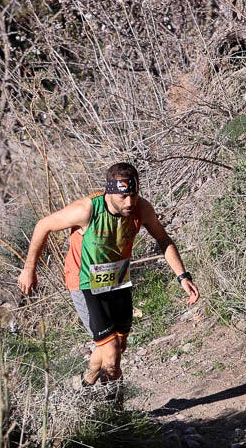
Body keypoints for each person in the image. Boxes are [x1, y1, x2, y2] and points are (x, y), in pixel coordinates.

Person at [18, 162, 200, 388]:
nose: (130, 202)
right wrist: (29, 269)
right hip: (84, 281)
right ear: (109, 192)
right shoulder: (87, 210)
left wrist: (183, 276)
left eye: (134, 195)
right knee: (112, 353)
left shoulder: (142, 209)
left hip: (118, 280)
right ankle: (116, 410)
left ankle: (84, 385)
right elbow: (42, 225)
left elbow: (163, 239)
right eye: (123, 197)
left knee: (116, 345)